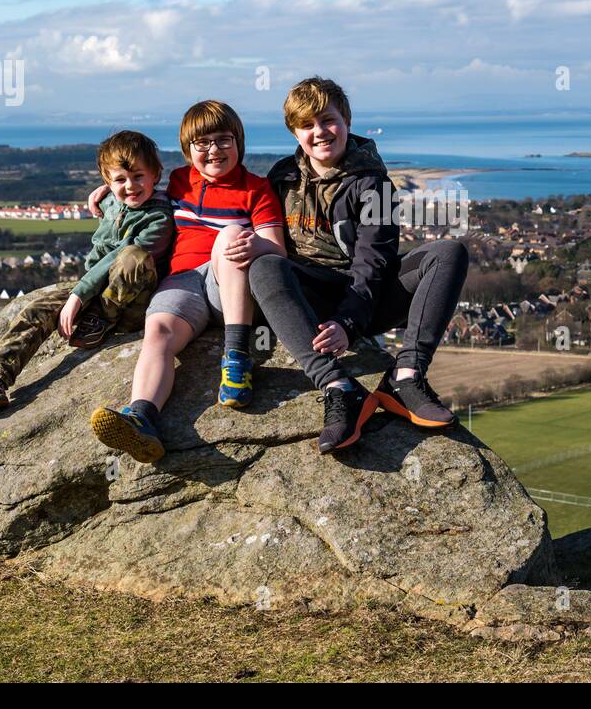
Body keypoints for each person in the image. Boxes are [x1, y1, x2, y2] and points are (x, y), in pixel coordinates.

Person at [248, 77, 469, 454]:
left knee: (448, 254)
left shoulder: (373, 184)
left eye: (328, 120)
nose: (319, 132)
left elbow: (373, 260)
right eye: (307, 125)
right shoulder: (281, 176)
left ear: (346, 120)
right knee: (264, 266)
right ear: (294, 131)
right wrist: (118, 200)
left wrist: (348, 324)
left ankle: (405, 376)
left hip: (365, 298)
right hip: (308, 295)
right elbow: (230, 202)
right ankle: (339, 387)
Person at [87, 100, 285, 464]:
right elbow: (139, 192)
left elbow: (277, 250)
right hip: (184, 282)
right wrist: (109, 197)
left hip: (231, 286)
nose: (214, 150)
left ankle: (237, 357)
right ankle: (142, 416)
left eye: (224, 140)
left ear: (239, 142)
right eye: (202, 142)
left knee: (229, 236)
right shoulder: (180, 180)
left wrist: (248, 240)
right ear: (187, 150)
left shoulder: (256, 189)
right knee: (158, 331)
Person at [0, 130, 173, 413]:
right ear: (107, 181)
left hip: (132, 304)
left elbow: (116, 259)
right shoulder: (111, 201)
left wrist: (79, 296)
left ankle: (100, 322)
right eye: (120, 179)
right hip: (97, 289)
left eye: (138, 177)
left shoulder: (159, 217)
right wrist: (105, 195)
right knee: (38, 308)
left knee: (133, 256)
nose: (130, 186)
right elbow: (98, 255)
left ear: (155, 174)